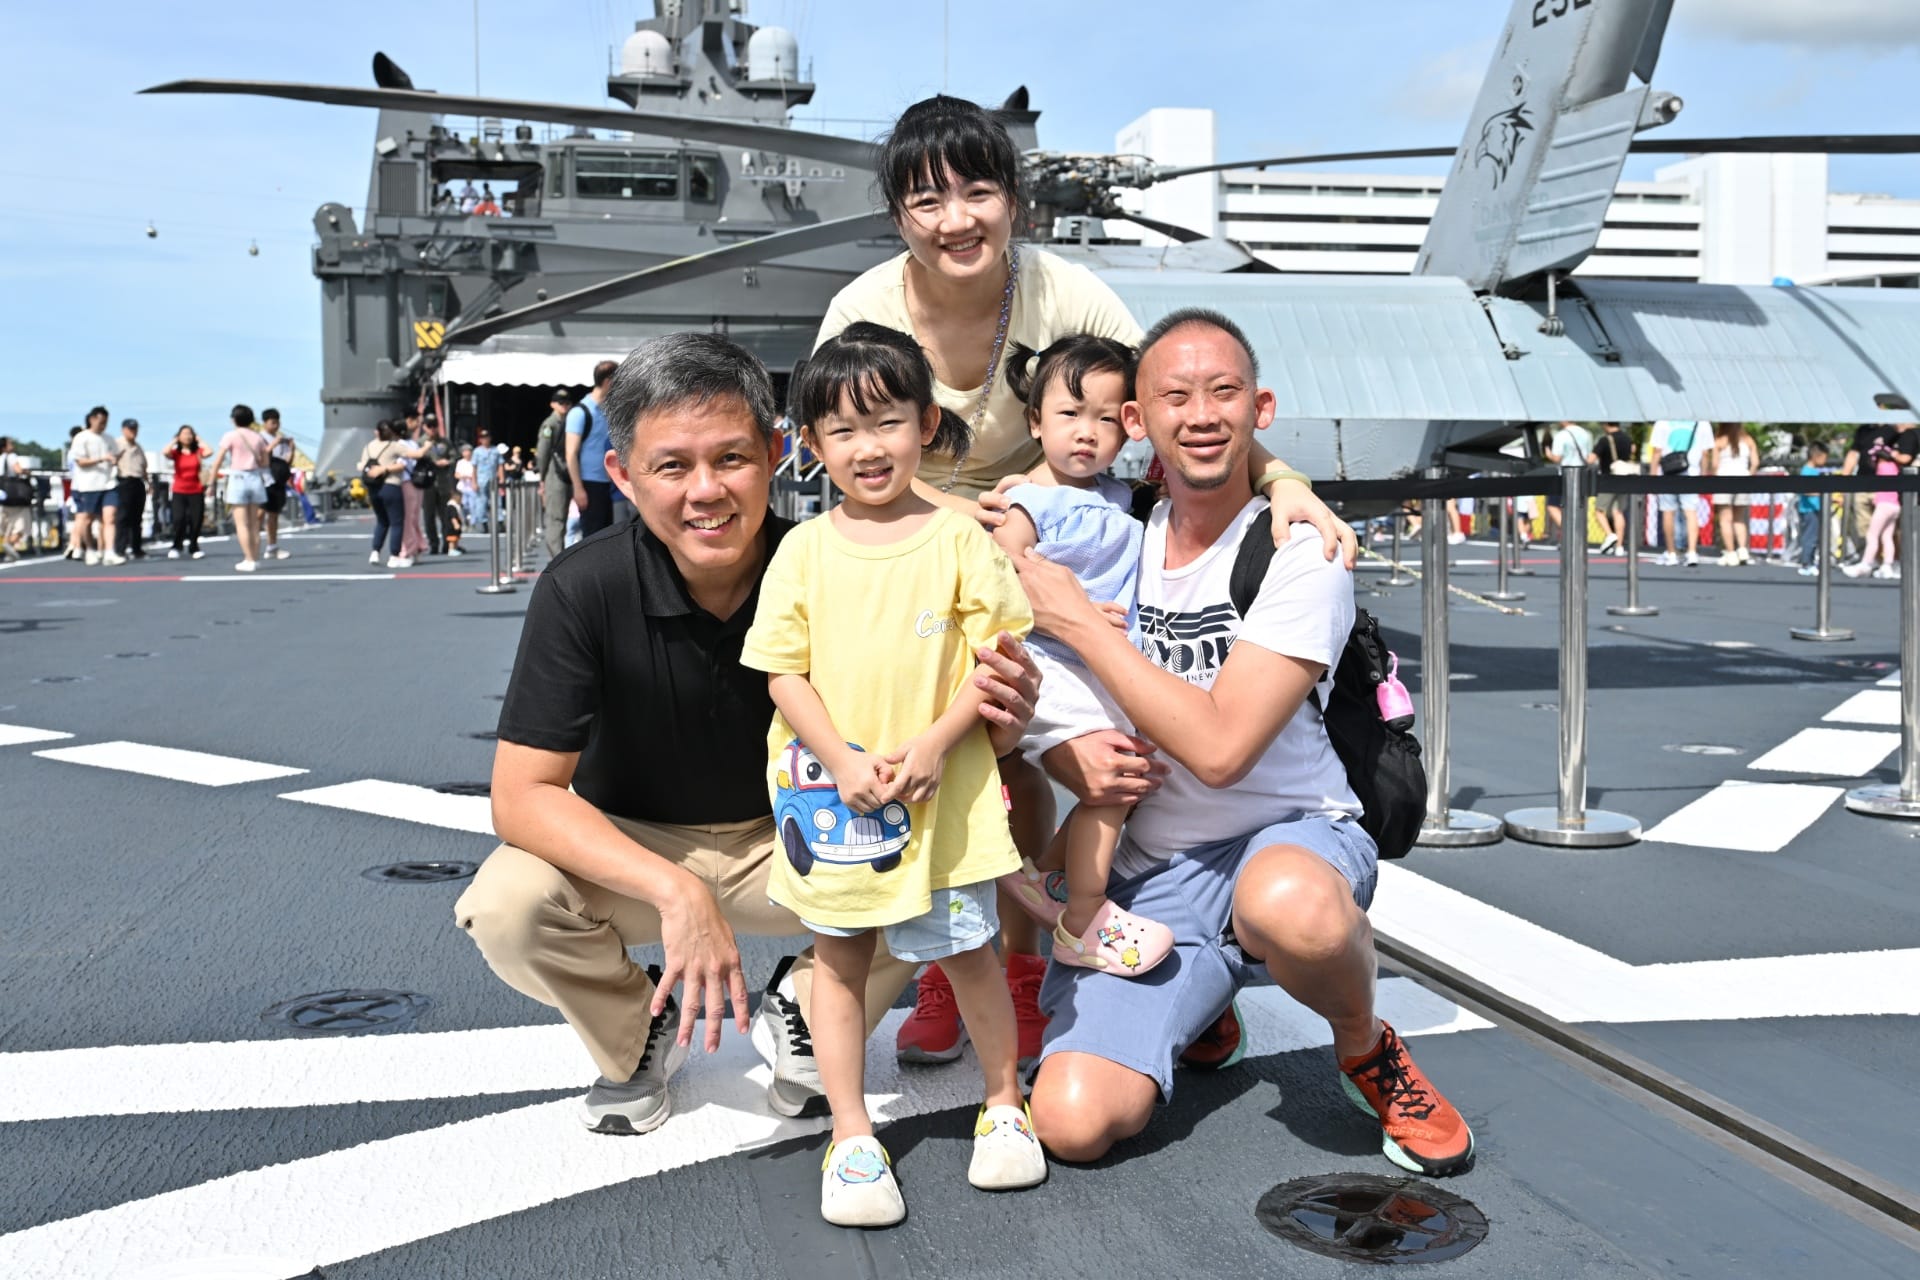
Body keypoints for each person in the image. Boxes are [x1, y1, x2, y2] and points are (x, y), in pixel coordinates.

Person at [816, 92, 1355, 1069]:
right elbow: (850, 459)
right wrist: (1009, 570)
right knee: (976, 758)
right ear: (898, 216)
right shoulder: (860, 313)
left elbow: (1167, 404)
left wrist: (1285, 480)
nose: (956, 218)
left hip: (1070, 540)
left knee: (1108, 755)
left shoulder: (1070, 296)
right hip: (914, 543)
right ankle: (957, 959)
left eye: (978, 190)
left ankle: (1064, 963)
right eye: (927, 198)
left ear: (1014, 201)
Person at [454, 331, 1041, 1144]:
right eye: (671, 466)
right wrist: (676, 893)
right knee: (506, 905)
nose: (706, 491)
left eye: (731, 458)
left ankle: (805, 1007)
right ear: (621, 474)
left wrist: (1006, 719)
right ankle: (637, 1028)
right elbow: (521, 798)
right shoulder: (582, 589)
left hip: (809, 830)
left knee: (939, 860)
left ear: (774, 453)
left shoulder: (840, 558)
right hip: (646, 847)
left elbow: (963, 715)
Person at [1014, 308, 1474, 1179]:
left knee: (1288, 904)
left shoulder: (1300, 550)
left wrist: (1077, 619)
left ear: (1260, 409)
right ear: (1134, 422)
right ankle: (1203, 1001)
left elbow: (1223, 750)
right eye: (1173, 396)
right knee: (1072, 1123)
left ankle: (1363, 1045)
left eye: (1223, 392)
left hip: (1294, 832)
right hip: (1156, 868)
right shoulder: (1112, 529)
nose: (1200, 413)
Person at [740, 323, 1047, 1225]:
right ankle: (850, 1132)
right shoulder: (801, 549)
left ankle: (1002, 1104)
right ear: (810, 443)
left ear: (926, 425)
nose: (867, 447)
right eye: (841, 429)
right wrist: (839, 760)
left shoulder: (957, 538)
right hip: (835, 796)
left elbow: (998, 655)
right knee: (836, 962)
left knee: (969, 953)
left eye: (887, 422)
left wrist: (935, 744)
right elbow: (782, 670)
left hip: (942, 799)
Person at [990, 335, 1173, 978]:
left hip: (1099, 668)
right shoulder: (1029, 501)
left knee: (1129, 783)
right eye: (1069, 414)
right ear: (1035, 422)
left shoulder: (1120, 497)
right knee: (1117, 779)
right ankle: (1083, 917)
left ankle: (1051, 883)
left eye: (1105, 417)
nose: (1087, 433)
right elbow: (997, 572)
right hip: (1050, 665)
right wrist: (1072, 613)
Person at [208, 405, 274, 572]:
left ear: (234, 419)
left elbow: (218, 461)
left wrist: (211, 483)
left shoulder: (231, 436)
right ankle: (256, 558)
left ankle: (248, 559)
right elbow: (265, 462)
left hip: (238, 478)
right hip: (255, 478)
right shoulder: (258, 437)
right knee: (254, 523)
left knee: (241, 524)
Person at [1843, 426, 1915, 579]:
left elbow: (1873, 458)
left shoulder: (1883, 467)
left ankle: (1867, 563)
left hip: (1884, 504)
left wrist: (1886, 453)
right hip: (1894, 504)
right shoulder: (1895, 467)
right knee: (1887, 536)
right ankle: (1888, 565)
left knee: (1872, 534)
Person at [565, 361, 619, 539]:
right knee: (592, 537)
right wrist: (578, 488)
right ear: (607, 382)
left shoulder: (609, 410)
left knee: (610, 536)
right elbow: (570, 453)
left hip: (610, 484)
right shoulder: (580, 412)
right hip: (590, 483)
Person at [1648, 420, 1707, 566]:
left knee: (1668, 512)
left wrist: (1652, 476)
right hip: (1692, 471)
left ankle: (1671, 552)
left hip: (1668, 471)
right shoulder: (1701, 423)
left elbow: (1657, 452)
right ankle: (1692, 552)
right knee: (1691, 512)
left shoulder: (1662, 423)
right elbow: (1705, 453)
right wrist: (1704, 475)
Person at [69, 408, 123, 566]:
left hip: (109, 483)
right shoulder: (81, 438)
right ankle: (90, 550)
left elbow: (115, 455)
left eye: (105, 423)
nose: (103, 426)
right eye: (101, 422)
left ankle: (109, 551)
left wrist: (115, 460)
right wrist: (101, 459)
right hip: (88, 485)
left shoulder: (109, 439)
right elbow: (80, 462)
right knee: (87, 520)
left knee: (110, 517)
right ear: (92, 419)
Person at [358, 421, 412, 569]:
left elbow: (361, 465)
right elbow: (413, 454)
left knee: (382, 521)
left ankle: (375, 552)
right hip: (391, 486)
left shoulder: (368, 447)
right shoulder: (394, 446)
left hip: (374, 489)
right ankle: (394, 556)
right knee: (396, 522)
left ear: (376, 432)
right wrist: (426, 447)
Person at [1704, 422, 1759, 567]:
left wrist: (1714, 476)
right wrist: (1749, 474)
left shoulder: (1719, 441)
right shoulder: (1748, 440)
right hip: (1743, 479)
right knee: (1739, 518)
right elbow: (1755, 462)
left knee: (1725, 518)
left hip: (1724, 479)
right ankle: (1742, 549)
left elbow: (1715, 464)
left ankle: (1730, 552)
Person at [534, 388, 575, 558]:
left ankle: (559, 555)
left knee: (562, 517)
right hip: (555, 474)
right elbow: (543, 453)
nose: (564, 405)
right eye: (560, 402)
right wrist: (542, 476)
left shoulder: (568, 422)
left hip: (565, 474)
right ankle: (556, 558)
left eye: (567, 402)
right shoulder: (550, 424)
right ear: (552, 404)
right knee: (555, 518)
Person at [1587, 422, 1635, 554]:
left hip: (1608, 478)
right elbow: (1633, 450)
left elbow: (1590, 459)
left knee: (1599, 510)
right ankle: (1619, 546)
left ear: (1606, 424)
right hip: (1624, 477)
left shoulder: (1605, 440)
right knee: (1618, 512)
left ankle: (1610, 535)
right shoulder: (1627, 438)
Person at [1542, 420, 1593, 544]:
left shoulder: (1562, 435)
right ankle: (1579, 532)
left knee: (1553, 505)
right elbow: (1588, 457)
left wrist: (1548, 454)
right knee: (1577, 506)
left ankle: (1569, 532)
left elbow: (1557, 458)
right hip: (1581, 474)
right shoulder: (1586, 434)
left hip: (1565, 474)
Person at [164, 426, 210, 559]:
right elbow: (165, 452)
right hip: (179, 490)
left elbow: (209, 451)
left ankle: (194, 546)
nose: (187, 436)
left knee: (196, 519)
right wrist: (174, 441)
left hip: (196, 489)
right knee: (179, 518)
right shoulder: (176, 453)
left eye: (190, 433)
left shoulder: (197, 452)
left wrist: (200, 440)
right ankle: (176, 545)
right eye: (184, 433)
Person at [259, 409, 296, 560]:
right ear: (265, 423)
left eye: (277, 422)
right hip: (264, 479)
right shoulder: (260, 438)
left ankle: (272, 546)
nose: (276, 425)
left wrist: (292, 449)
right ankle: (253, 545)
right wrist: (273, 444)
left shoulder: (281, 440)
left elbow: (287, 461)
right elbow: (261, 457)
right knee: (259, 514)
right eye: (272, 422)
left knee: (273, 514)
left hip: (278, 479)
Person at [113, 419, 150, 560]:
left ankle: (137, 548)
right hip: (124, 481)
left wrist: (148, 483)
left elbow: (143, 467)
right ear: (124, 429)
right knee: (123, 517)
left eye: (135, 429)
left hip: (138, 481)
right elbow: (112, 461)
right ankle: (120, 549)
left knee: (137, 518)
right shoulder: (119, 444)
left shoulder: (138, 446)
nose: (133, 432)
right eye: (130, 429)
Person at [1795, 441, 1830, 577]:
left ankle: (1810, 561)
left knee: (1814, 537)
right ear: (1817, 456)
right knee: (1810, 537)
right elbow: (1806, 490)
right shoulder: (1807, 471)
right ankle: (1806, 563)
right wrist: (1822, 493)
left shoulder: (1814, 471)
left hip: (1815, 509)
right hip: (1809, 510)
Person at [0, 437, 31, 561]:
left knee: (7, 525)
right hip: (16, 496)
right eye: (10, 443)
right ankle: (9, 545)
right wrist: (26, 472)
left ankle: (9, 553)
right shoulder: (11, 456)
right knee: (21, 525)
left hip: (3, 496)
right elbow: (18, 470)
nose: (12, 445)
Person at [473, 427, 502, 531]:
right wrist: (474, 482)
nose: (485, 439)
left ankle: (499, 521)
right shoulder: (477, 451)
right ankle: (483, 523)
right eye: (483, 438)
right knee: (482, 501)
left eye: (487, 437)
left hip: (493, 478)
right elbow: (474, 468)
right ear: (480, 439)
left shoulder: (496, 450)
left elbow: (500, 465)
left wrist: (502, 478)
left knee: (496, 501)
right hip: (481, 479)